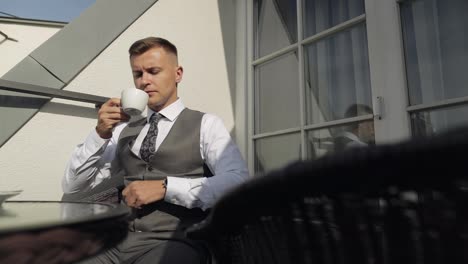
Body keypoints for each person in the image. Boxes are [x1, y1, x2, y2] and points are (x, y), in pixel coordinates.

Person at [62, 37, 249, 264]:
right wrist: (99, 134)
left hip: (177, 240)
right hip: (117, 238)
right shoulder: (122, 129)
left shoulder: (206, 124)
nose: (144, 81)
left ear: (178, 73)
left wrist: (166, 188)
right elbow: (73, 187)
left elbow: (238, 182)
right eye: (138, 74)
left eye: (153, 71)